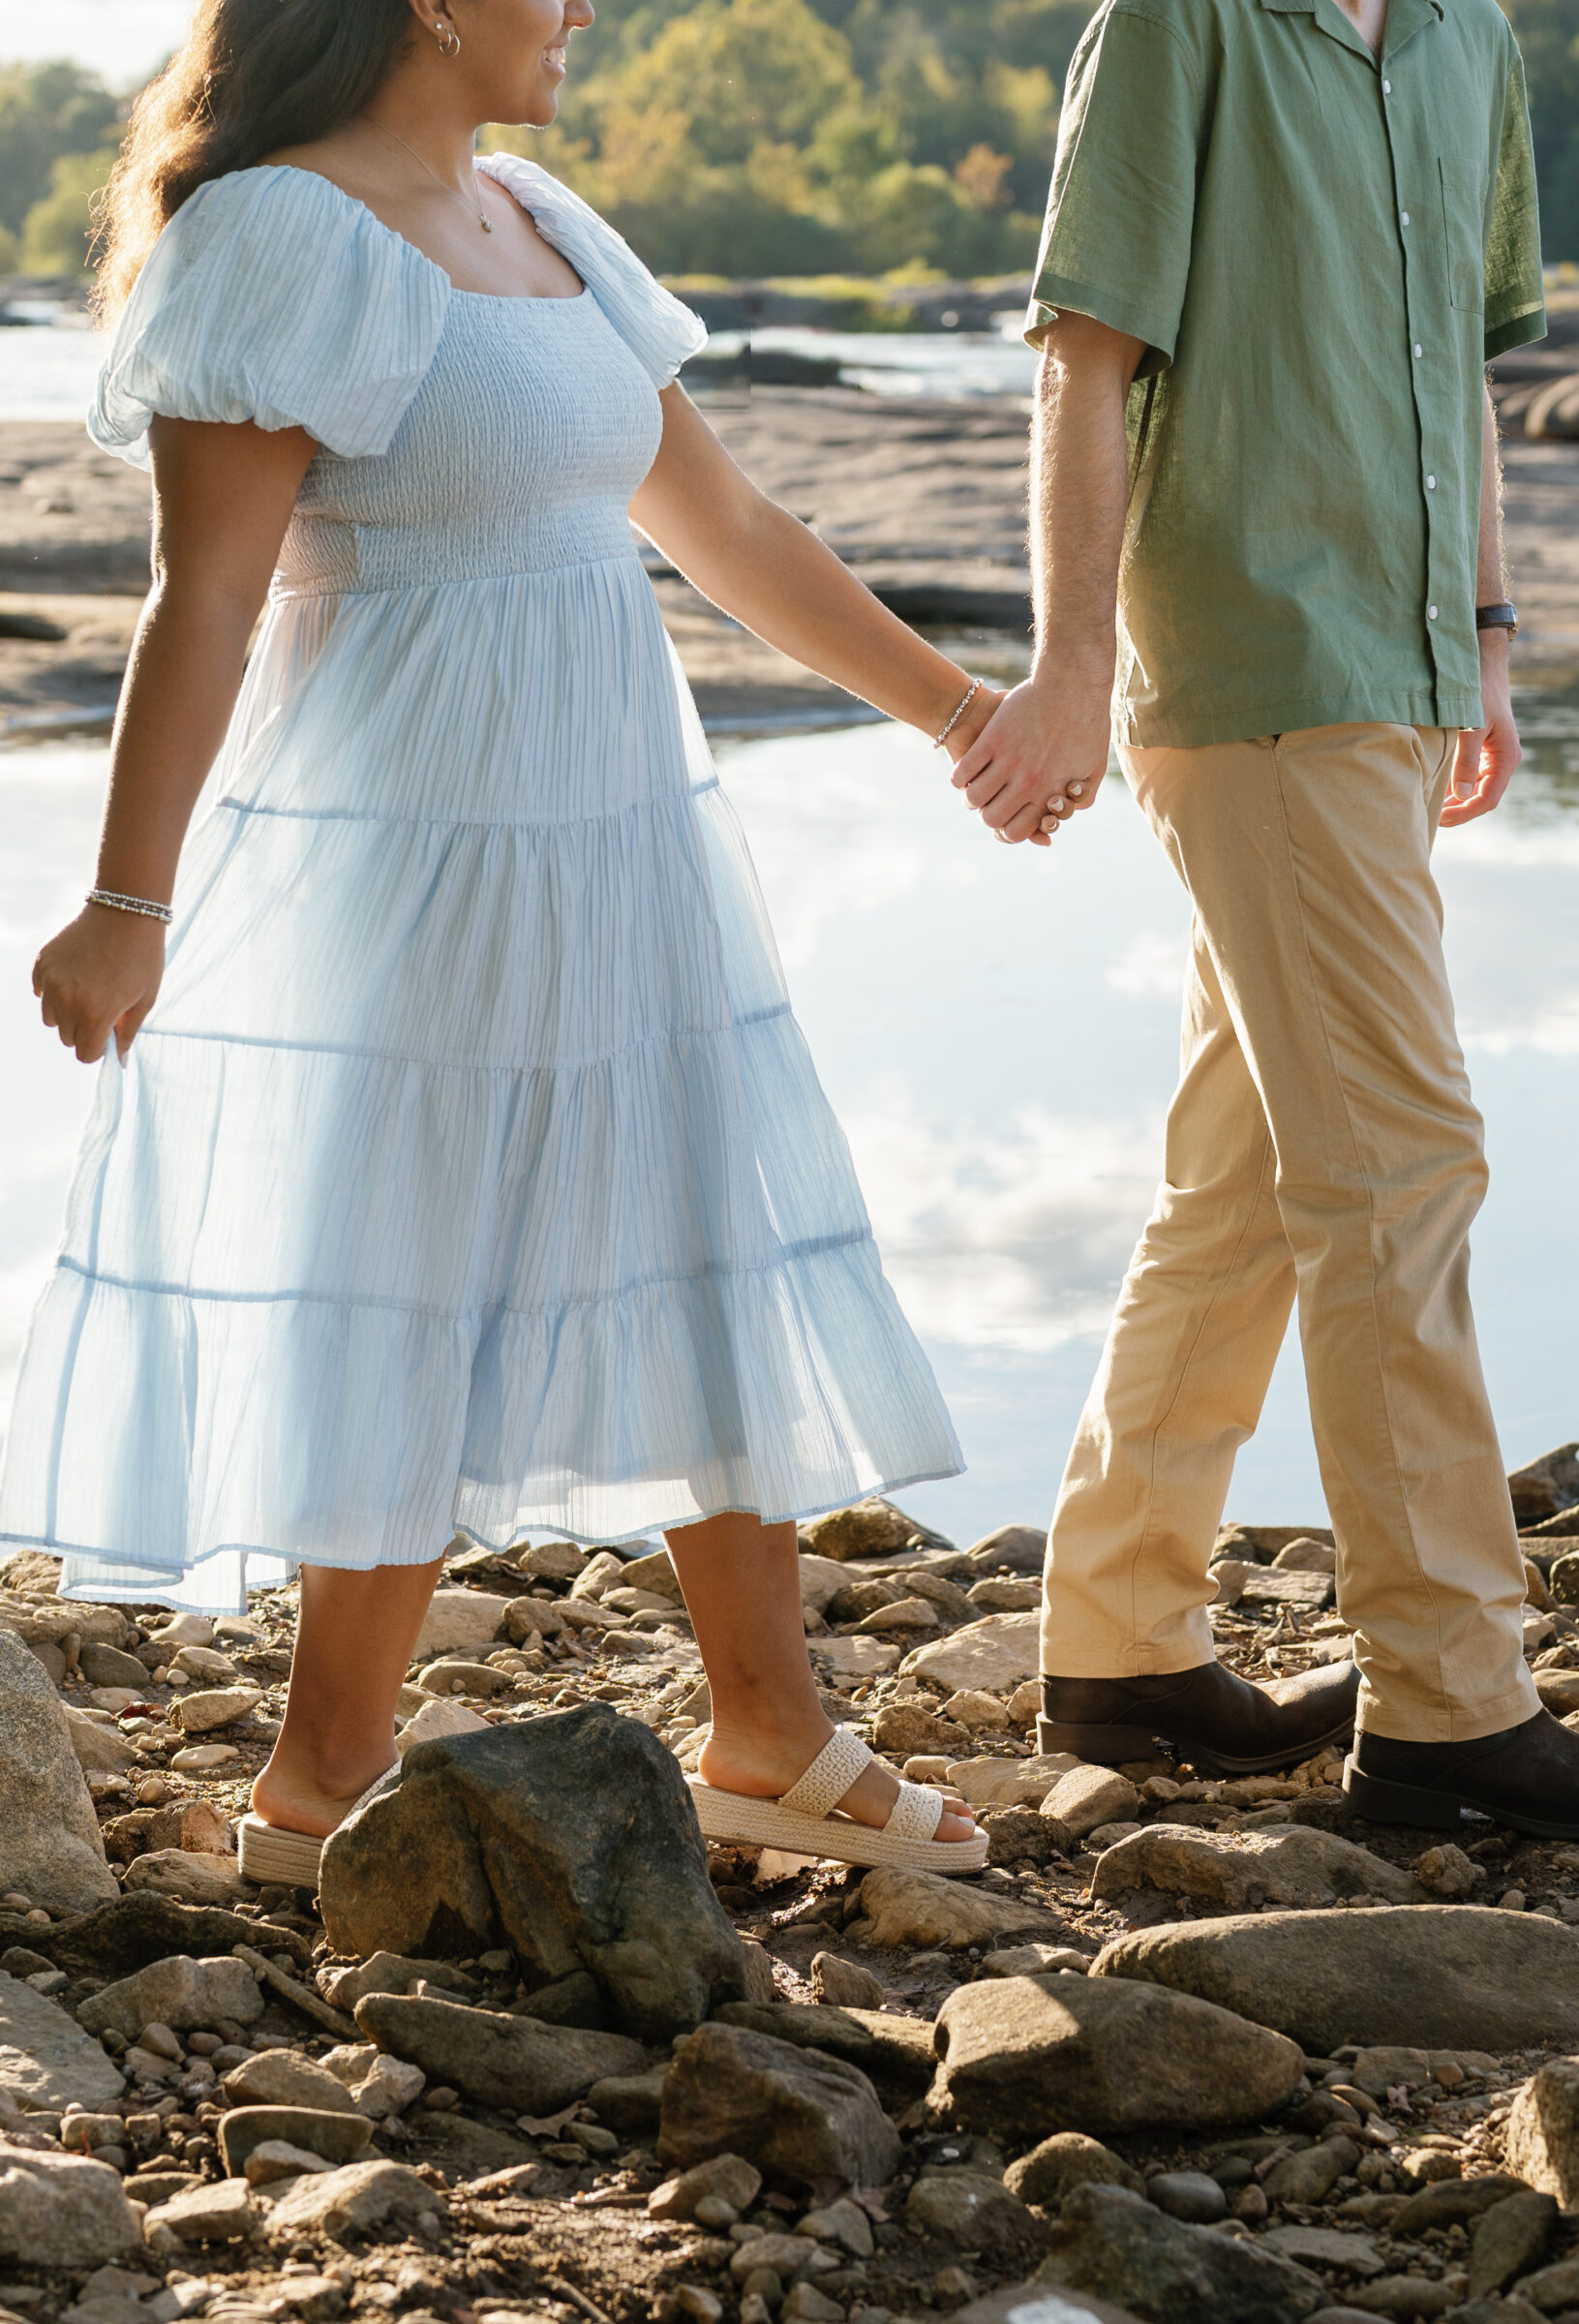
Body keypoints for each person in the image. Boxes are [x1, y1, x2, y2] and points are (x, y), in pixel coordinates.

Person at [3, 0, 1074, 1883]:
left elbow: (724, 522)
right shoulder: (274, 231)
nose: (579, 12)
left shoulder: (547, 221)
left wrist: (957, 714)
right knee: (420, 1272)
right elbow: (212, 591)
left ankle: (770, 1731)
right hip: (408, 839)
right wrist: (127, 901)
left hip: (617, 832)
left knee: (687, 1225)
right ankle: (322, 1780)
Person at [949, 0, 1579, 1839]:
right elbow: (1085, 354)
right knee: (1399, 1159)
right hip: (1252, 661)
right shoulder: (1177, 25)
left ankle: (1122, 1640)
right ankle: (1450, 1706)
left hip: (1403, 662)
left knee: (1249, 1170)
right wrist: (1064, 671)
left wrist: (1492, 634)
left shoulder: (1469, 39)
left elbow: (1455, 350)